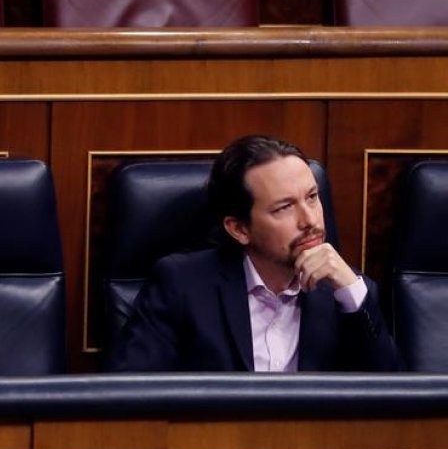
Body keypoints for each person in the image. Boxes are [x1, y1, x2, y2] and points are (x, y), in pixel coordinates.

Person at [107, 135, 403, 372]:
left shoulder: (345, 295)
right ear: (239, 229)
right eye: (284, 207)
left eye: (312, 198)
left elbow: (393, 407)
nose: (310, 220)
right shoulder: (182, 285)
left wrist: (352, 294)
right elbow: (130, 397)